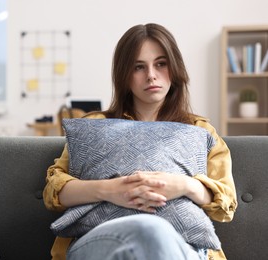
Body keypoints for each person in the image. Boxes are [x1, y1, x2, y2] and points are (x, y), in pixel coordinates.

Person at [43, 23, 237, 260]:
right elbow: (54, 192)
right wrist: (111, 190)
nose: (151, 75)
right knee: (148, 230)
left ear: (174, 68)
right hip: (100, 242)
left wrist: (184, 186)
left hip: (182, 247)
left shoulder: (200, 131)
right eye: (138, 67)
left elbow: (226, 202)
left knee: (155, 233)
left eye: (161, 64)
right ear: (124, 75)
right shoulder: (94, 125)